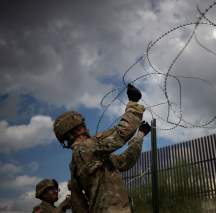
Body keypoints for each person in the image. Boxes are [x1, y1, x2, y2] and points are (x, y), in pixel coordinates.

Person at [53, 84, 151, 213]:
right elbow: (122, 133)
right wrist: (133, 104)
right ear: (78, 129)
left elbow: (125, 161)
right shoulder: (85, 149)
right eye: (83, 125)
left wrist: (140, 135)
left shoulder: (79, 160)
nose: (86, 128)